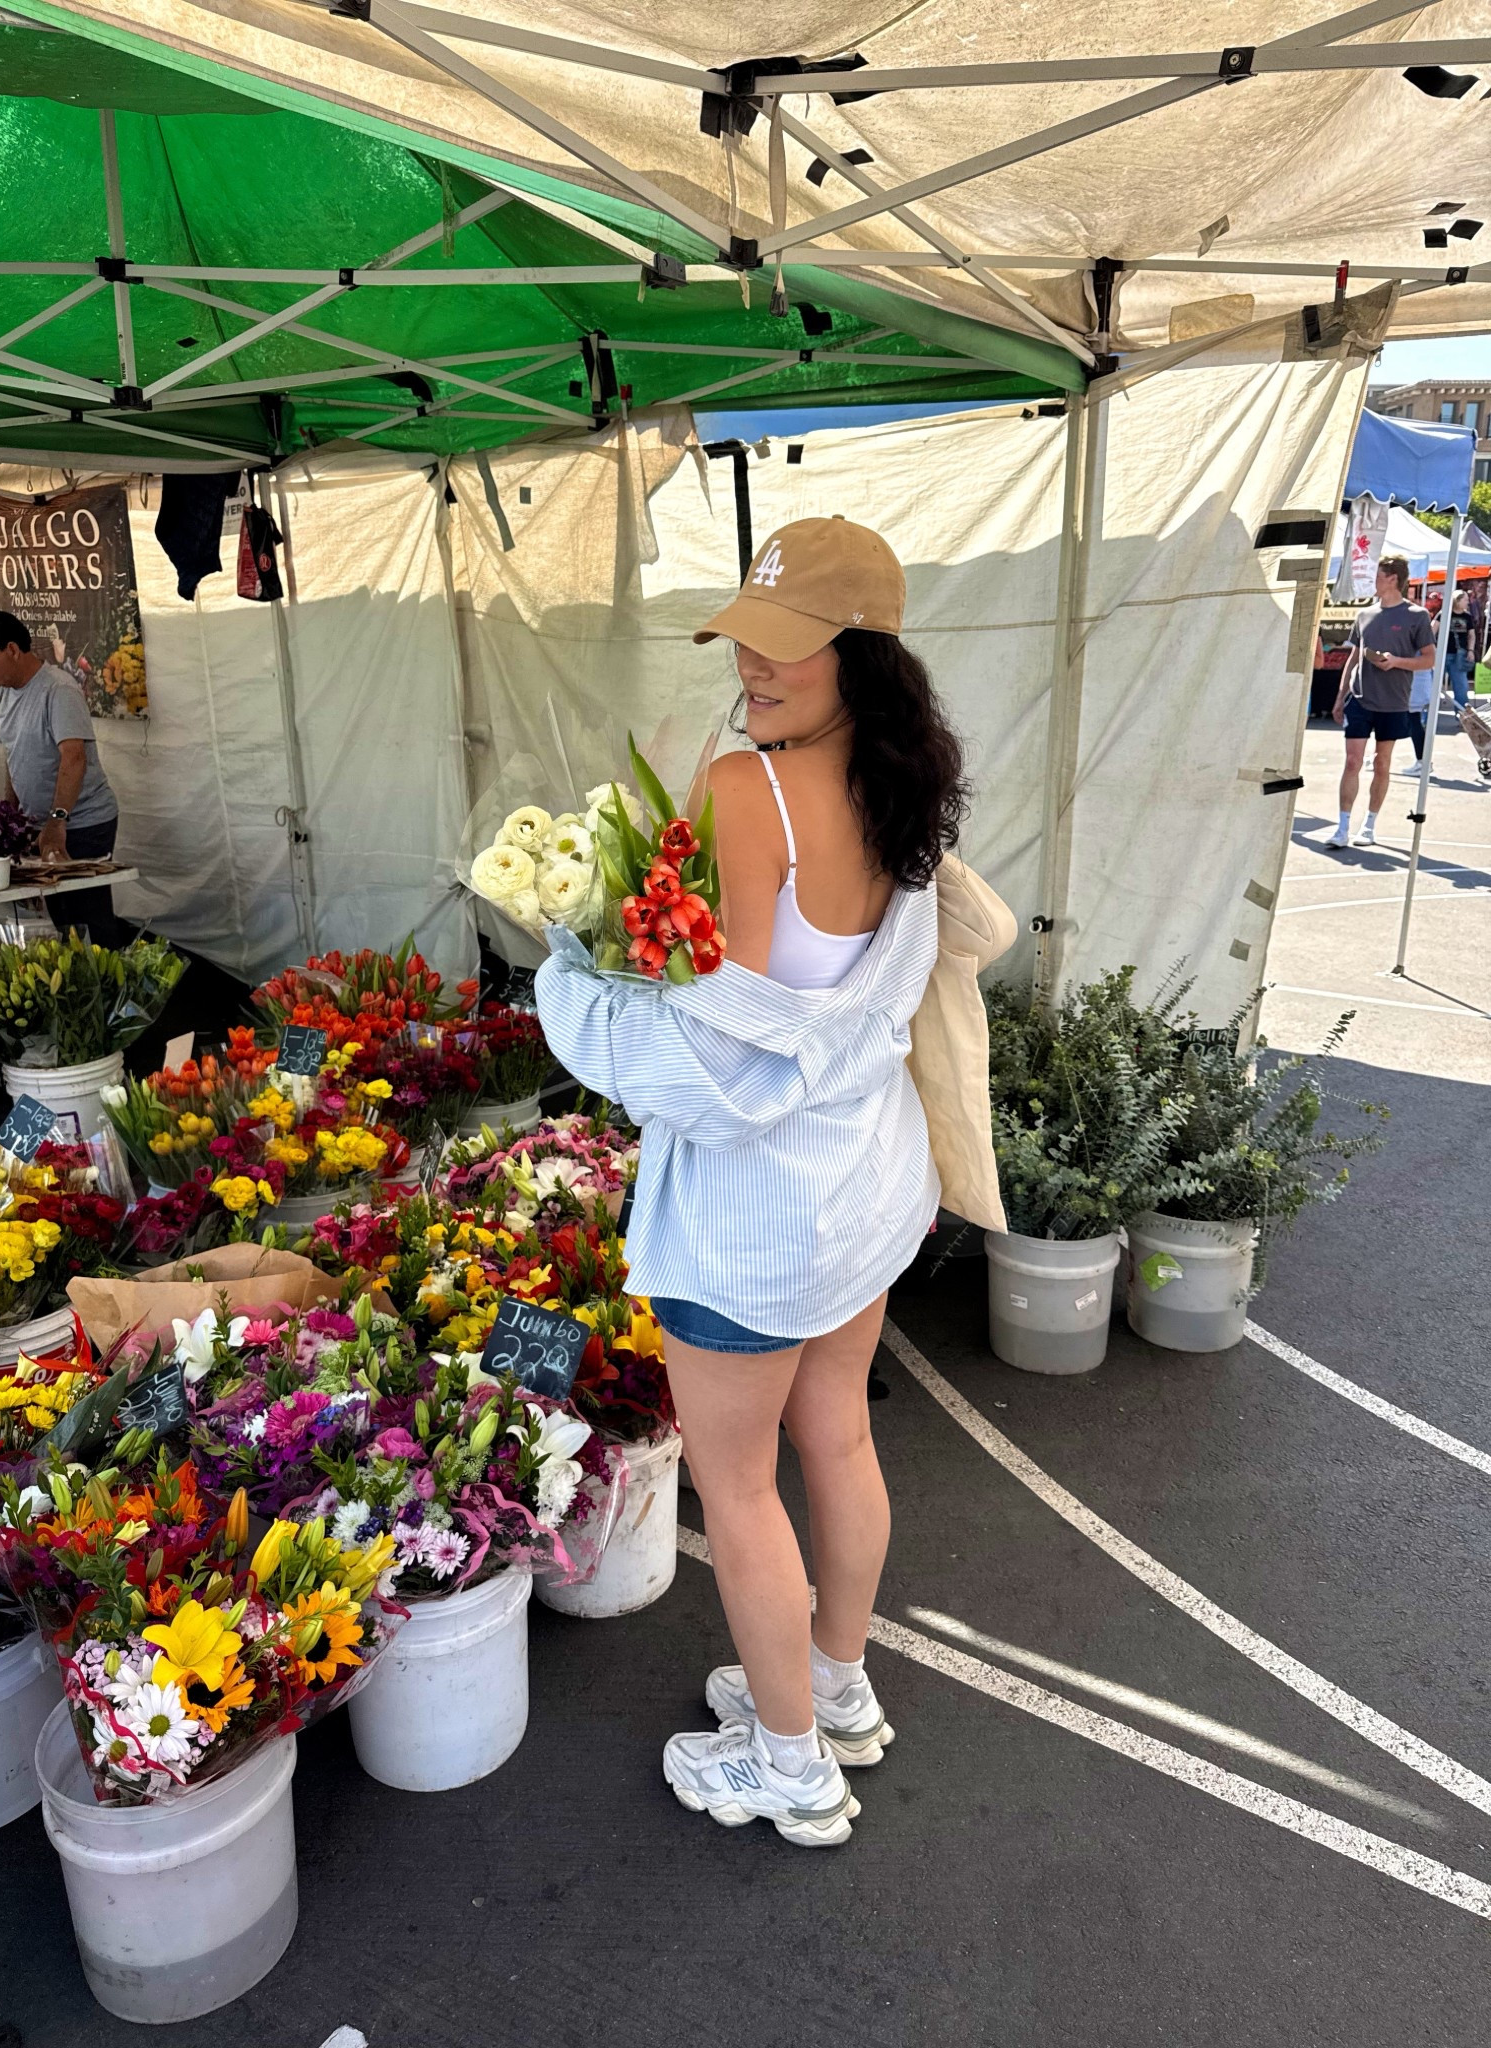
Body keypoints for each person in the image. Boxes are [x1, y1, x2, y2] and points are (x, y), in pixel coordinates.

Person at [535, 517, 1009, 1847]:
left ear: (862, 654)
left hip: (755, 1224)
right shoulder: (905, 781)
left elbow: (712, 1034)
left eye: (786, 644)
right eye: (743, 636)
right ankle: (837, 1683)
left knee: (736, 1489)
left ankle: (790, 1763)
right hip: (865, 1195)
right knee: (839, 1434)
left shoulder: (751, 790)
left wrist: (573, 982)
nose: (753, 662)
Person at [0, 609, 124, 943]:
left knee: (89, 919)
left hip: (81, 823)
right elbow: (14, 755)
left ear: (11, 650)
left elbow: (74, 757)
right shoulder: (3, 692)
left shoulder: (58, 689)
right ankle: (79, 987)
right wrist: (13, 820)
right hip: (42, 824)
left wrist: (56, 822)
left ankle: (114, 990)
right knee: (61, 919)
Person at [1328, 556, 1437, 848]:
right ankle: (1342, 827)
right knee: (1352, 761)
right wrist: (1340, 697)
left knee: (1382, 764)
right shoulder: (1364, 615)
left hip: (1394, 702)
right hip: (1360, 699)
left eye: (1377, 575)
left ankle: (1369, 824)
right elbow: (1353, 656)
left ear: (1392, 578)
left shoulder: (1417, 615)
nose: (1372, 580)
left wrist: (1396, 662)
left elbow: (1429, 659)